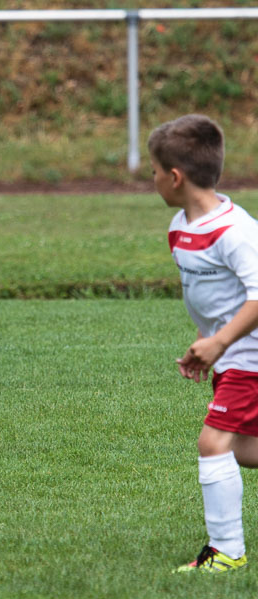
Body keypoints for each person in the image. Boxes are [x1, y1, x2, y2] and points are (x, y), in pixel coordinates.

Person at [149, 114, 258, 574]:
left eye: (154, 171)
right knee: (243, 450)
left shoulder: (236, 231)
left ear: (175, 177)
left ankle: (226, 552)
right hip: (229, 354)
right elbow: (209, 296)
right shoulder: (181, 226)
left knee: (213, 443)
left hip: (250, 357)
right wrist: (203, 341)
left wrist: (221, 343)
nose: (152, 179)